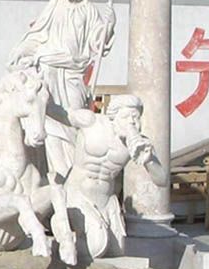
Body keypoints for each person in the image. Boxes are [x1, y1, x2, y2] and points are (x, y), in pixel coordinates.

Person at [8, 0, 115, 176]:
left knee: (75, 117)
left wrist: (108, 25)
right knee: (48, 118)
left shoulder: (88, 9)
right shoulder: (55, 4)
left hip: (73, 71)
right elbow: (38, 33)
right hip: (49, 68)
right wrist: (22, 51)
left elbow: (97, 41)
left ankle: (75, 173)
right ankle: (57, 173)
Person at [61, 95, 166, 259]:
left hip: (106, 200)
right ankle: (65, 241)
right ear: (114, 117)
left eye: (136, 117)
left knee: (116, 251)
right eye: (126, 117)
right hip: (78, 193)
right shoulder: (92, 122)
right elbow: (59, 114)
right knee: (96, 247)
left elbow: (162, 180)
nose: (131, 122)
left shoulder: (138, 144)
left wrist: (150, 160)